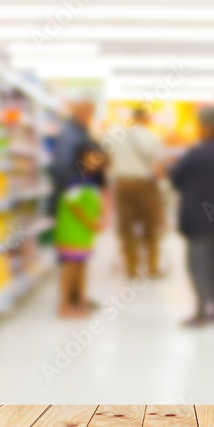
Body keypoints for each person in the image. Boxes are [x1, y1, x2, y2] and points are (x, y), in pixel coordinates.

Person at [169, 106, 214, 327]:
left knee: (197, 264)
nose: (198, 129)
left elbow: (175, 177)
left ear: (209, 127)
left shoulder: (198, 152)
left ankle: (201, 312)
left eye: (200, 125)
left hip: (199, 217)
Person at [112, 106, 165, 279]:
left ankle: (131, 267)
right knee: (151, 226)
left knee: (126, 227)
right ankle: (152, 267)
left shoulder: (116, 134)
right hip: (144, 184)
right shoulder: (152, 137)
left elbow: (105, 158)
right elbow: (158, 168)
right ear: (146, 118)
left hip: (122, 183)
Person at [55, 142, 107, 319]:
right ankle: (64, 305)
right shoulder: (75, 178)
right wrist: (91, 223)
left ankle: (80, 300)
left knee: (82, 266)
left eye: (98, 156)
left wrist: (98, 218)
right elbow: (73, 205)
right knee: (71, 268)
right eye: (92, 155)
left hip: (84, 233)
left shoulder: (90, 179)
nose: (96, 160)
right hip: (73, 231)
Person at [51, 99, 95, 216]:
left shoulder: (83, 131)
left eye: (90, 112)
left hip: (79, 188)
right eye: (86, 112)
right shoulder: (69, 133)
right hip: (69, 189)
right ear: (77, 111)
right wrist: (75, 182)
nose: (89, 116)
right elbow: (62, 165)